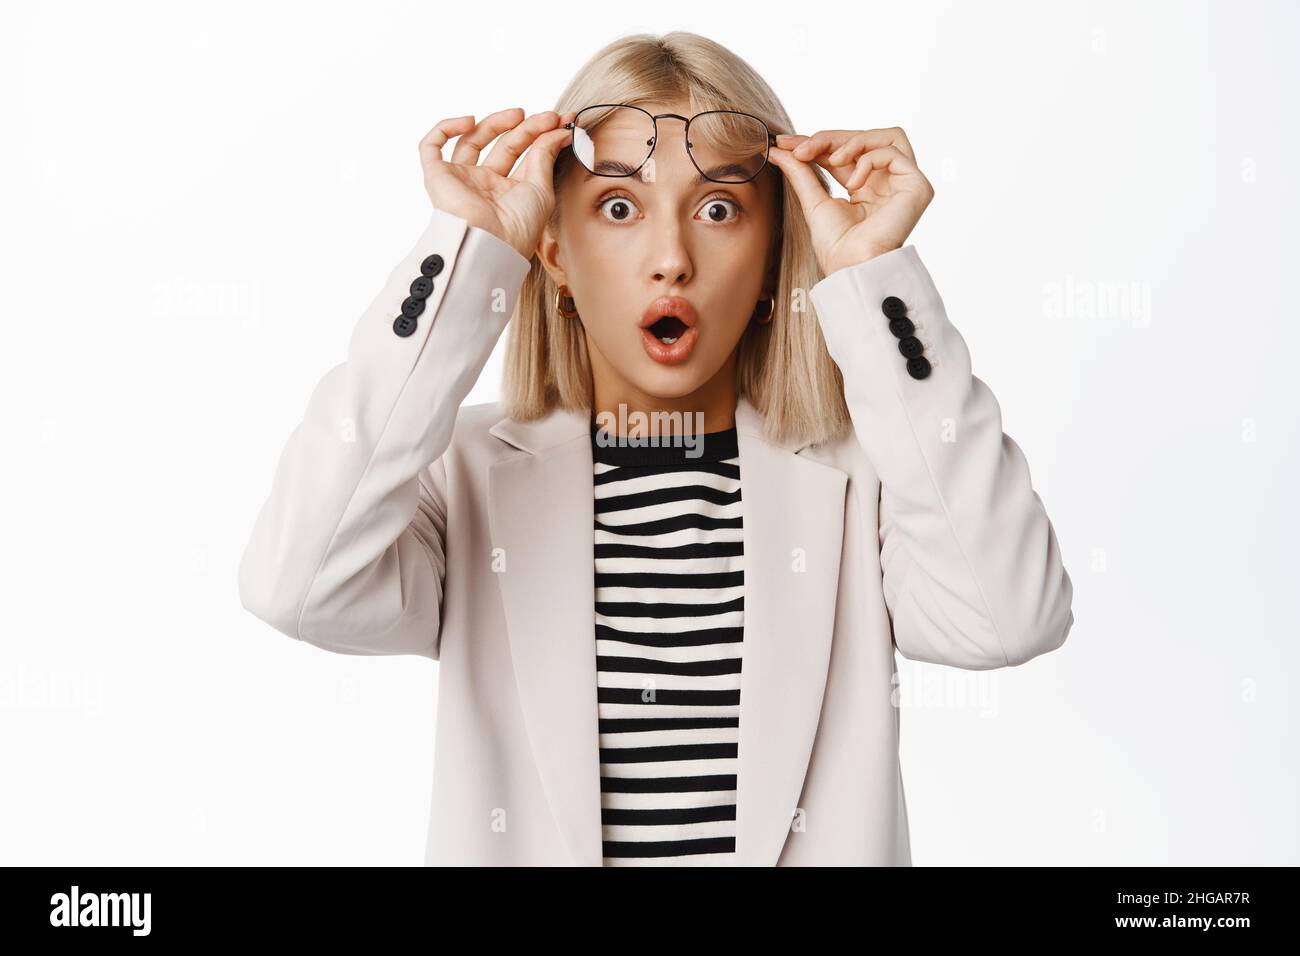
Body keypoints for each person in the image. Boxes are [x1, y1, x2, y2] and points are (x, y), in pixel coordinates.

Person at [237, 31, 1075, 866]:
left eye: (719, 210)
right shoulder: (462, 479)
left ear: (773, 251)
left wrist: (871, 273)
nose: (671, 259)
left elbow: (1007, 619)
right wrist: (464, 259)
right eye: (617, 206)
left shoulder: (873, 478)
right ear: (555, 252)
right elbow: (300, 585)